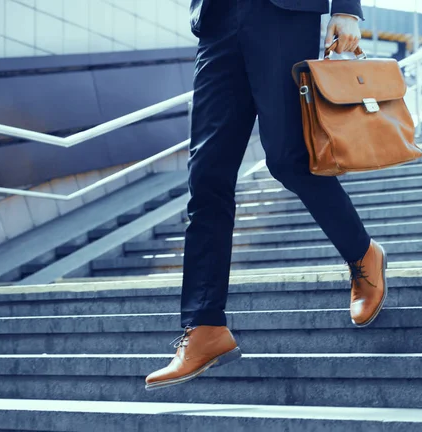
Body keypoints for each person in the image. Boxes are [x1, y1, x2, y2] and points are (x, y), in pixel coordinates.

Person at [145, 0, 387, 391]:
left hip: (281, 14)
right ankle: (204, 327)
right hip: (217, 20)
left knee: (289, 158)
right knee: (206, 177)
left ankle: (363, 252)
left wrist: (345, 7)